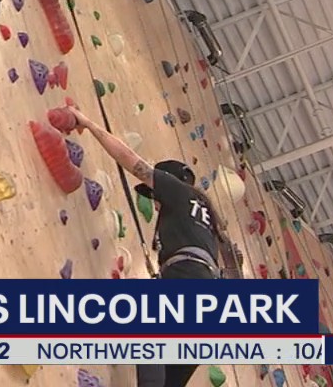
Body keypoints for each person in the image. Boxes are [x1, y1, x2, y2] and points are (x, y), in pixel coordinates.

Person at [67, 105, 232, 387]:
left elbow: (130, 160)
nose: (156, 204)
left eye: (155, 196)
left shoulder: (179, 191)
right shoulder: (210, 218)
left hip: (187, 278)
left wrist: (90, 124)